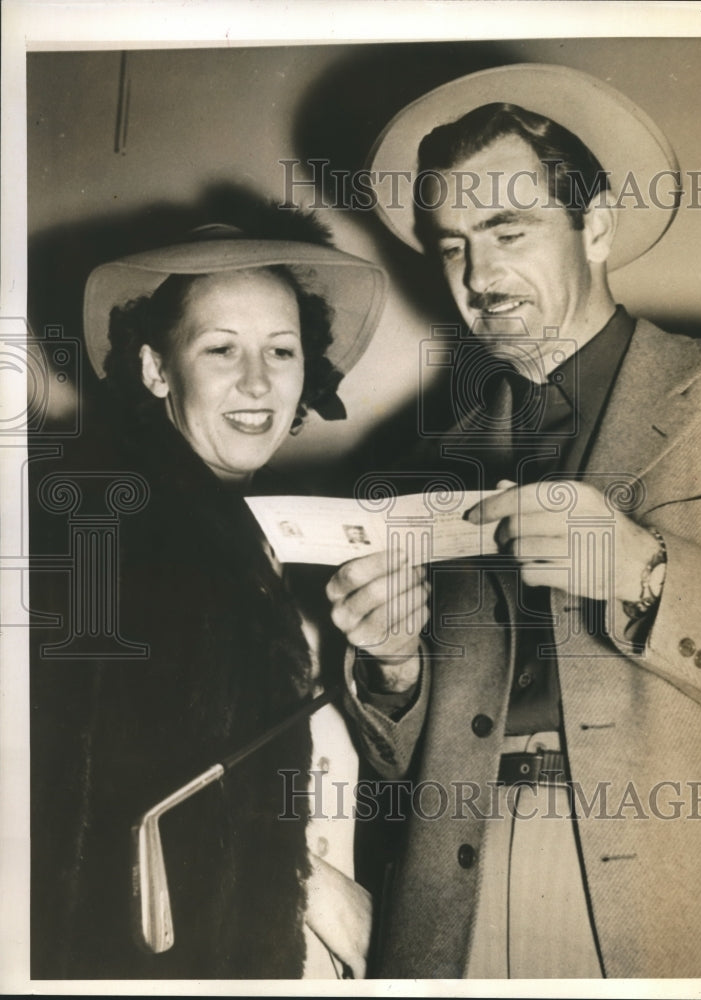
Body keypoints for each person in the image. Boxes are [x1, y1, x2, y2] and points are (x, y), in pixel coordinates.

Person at [326, 64, 701, 978]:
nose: (477, 276)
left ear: (595, 226)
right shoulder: (421, 464)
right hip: (455, 902)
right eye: (450, 247)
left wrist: (646, 572)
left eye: (506, 230)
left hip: (672, 900)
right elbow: (402, 767)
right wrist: (395, 675)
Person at [29, 207, 386, 979]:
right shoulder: (113, 521)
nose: (258, 381)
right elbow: (94, 791)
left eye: (280, 350)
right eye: (221, 348)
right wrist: (313, 890)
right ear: (157, 369)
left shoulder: (261, 529)